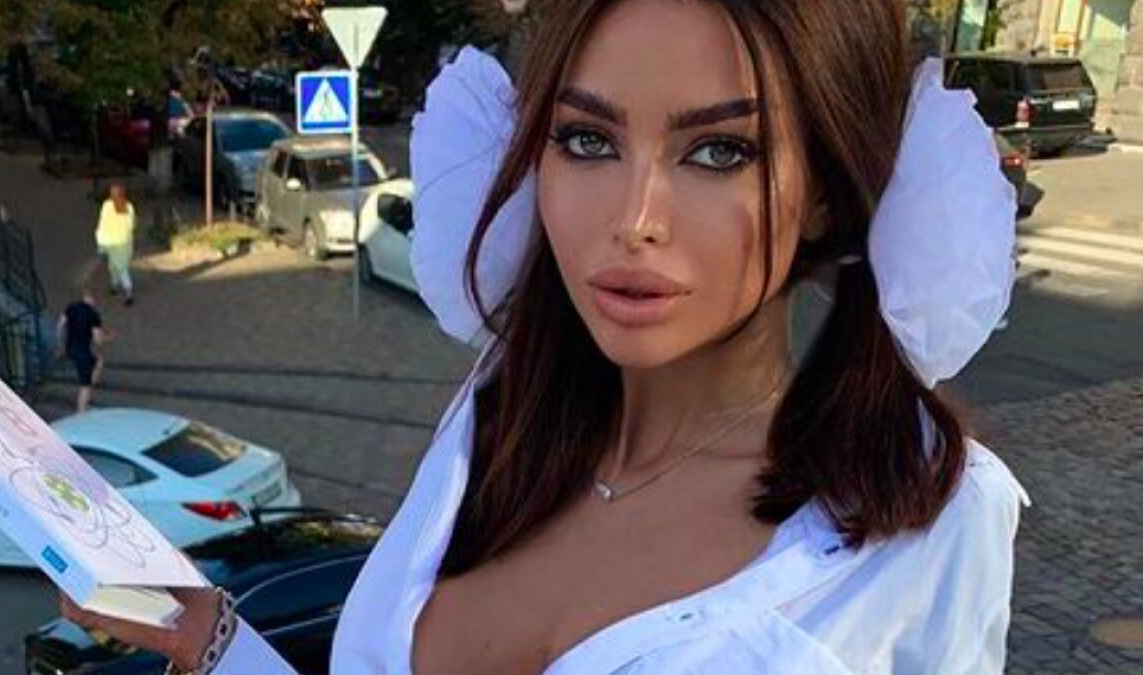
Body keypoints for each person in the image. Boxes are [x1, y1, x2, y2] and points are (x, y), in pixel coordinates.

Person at [59, 0, 1026, 673]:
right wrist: (216, 642)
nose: (634, 219)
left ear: (824, 190)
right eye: (587, 140)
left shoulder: (926, 516)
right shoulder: (497, 416)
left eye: (720, 150)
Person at [56, 289, 112, 413]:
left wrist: (60, 344)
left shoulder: (71, 307)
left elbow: (60, 325)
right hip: (83, 352)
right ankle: (81, 411)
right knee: (85, 384)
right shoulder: (93, 314)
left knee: (98, 361)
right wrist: (108, 338)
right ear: (94, 300)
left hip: (70, 349)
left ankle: (87, 397)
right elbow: (97, 340)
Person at [96, 183, 137, 306]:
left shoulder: (107, 206)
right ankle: (120, 288)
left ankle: (123, 290)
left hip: (110, 242)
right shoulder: (129, 206)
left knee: (115, 267)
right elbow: (132, 225)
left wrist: (100, 241)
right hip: (124, 243)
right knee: (121, 267)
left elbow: (102, 223)